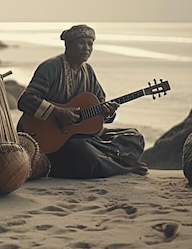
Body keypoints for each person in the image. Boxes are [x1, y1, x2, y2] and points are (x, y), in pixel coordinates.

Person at [17, 24, 148, 179]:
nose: (87, 48)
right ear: (68, 45)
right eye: (81, 43)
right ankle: (123, 167)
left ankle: (109, 164)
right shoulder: (51, 67)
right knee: (83, 152)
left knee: (134, 137)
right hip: (47, 140)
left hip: (81, 137)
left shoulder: (89, 72)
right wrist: (58, 112)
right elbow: (25, 100)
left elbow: (100, 106)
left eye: (90, 44)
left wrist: (108, 114)